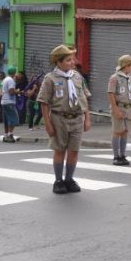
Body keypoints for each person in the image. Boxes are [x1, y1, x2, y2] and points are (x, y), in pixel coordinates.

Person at [37, 45, 92, 194]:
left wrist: (87, 118)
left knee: (74, 151)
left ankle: (69, 179)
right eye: (68, 60)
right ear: (58, 62)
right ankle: (58, 180)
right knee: (60, 150)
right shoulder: (50, 79)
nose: (72, 62)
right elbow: (43, 102)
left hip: (77, 118)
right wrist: (47, 124)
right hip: (59, 118)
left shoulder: (77, 76)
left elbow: (84, 98)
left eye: (72, 59)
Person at [108, 55, 131, 166]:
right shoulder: (114, 78)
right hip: (119, 107)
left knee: (125, 132)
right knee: (117, 131)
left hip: (129, 107)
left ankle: (122, 155)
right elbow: (111, 94)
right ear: (126, 66)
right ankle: (116, 156)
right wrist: (115, 110)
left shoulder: (130, 78)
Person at [0, 66, 20, 142]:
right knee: (13, 118)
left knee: (6, 119)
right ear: (14, 72)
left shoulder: (5, 79)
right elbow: (11, 92)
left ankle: (5, 135)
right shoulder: (11, 80)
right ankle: (10, 135)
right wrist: (18, 92)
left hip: (3, 102)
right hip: (9, 102)